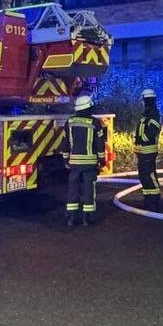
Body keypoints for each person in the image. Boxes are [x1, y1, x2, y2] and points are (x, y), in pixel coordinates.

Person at [64, 93, 106, 227]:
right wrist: (101, 159)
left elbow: (65, 142)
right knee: (89, 189)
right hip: (89, 163)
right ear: (88, 108)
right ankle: (86, 218)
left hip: (74, 162)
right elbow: (100, 143)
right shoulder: (94, 122)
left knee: (73, 188)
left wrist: (65, 158)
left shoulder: (69, 122)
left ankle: (71, 217)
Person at [133, 88, 162, 210]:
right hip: (142, 151)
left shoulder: (154, 114)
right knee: (143, 175)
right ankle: (147, 199)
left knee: (149, 175)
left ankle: (154, 200)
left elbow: (152, 132)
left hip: (148, 150)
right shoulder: (147, 114)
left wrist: (141, 139)